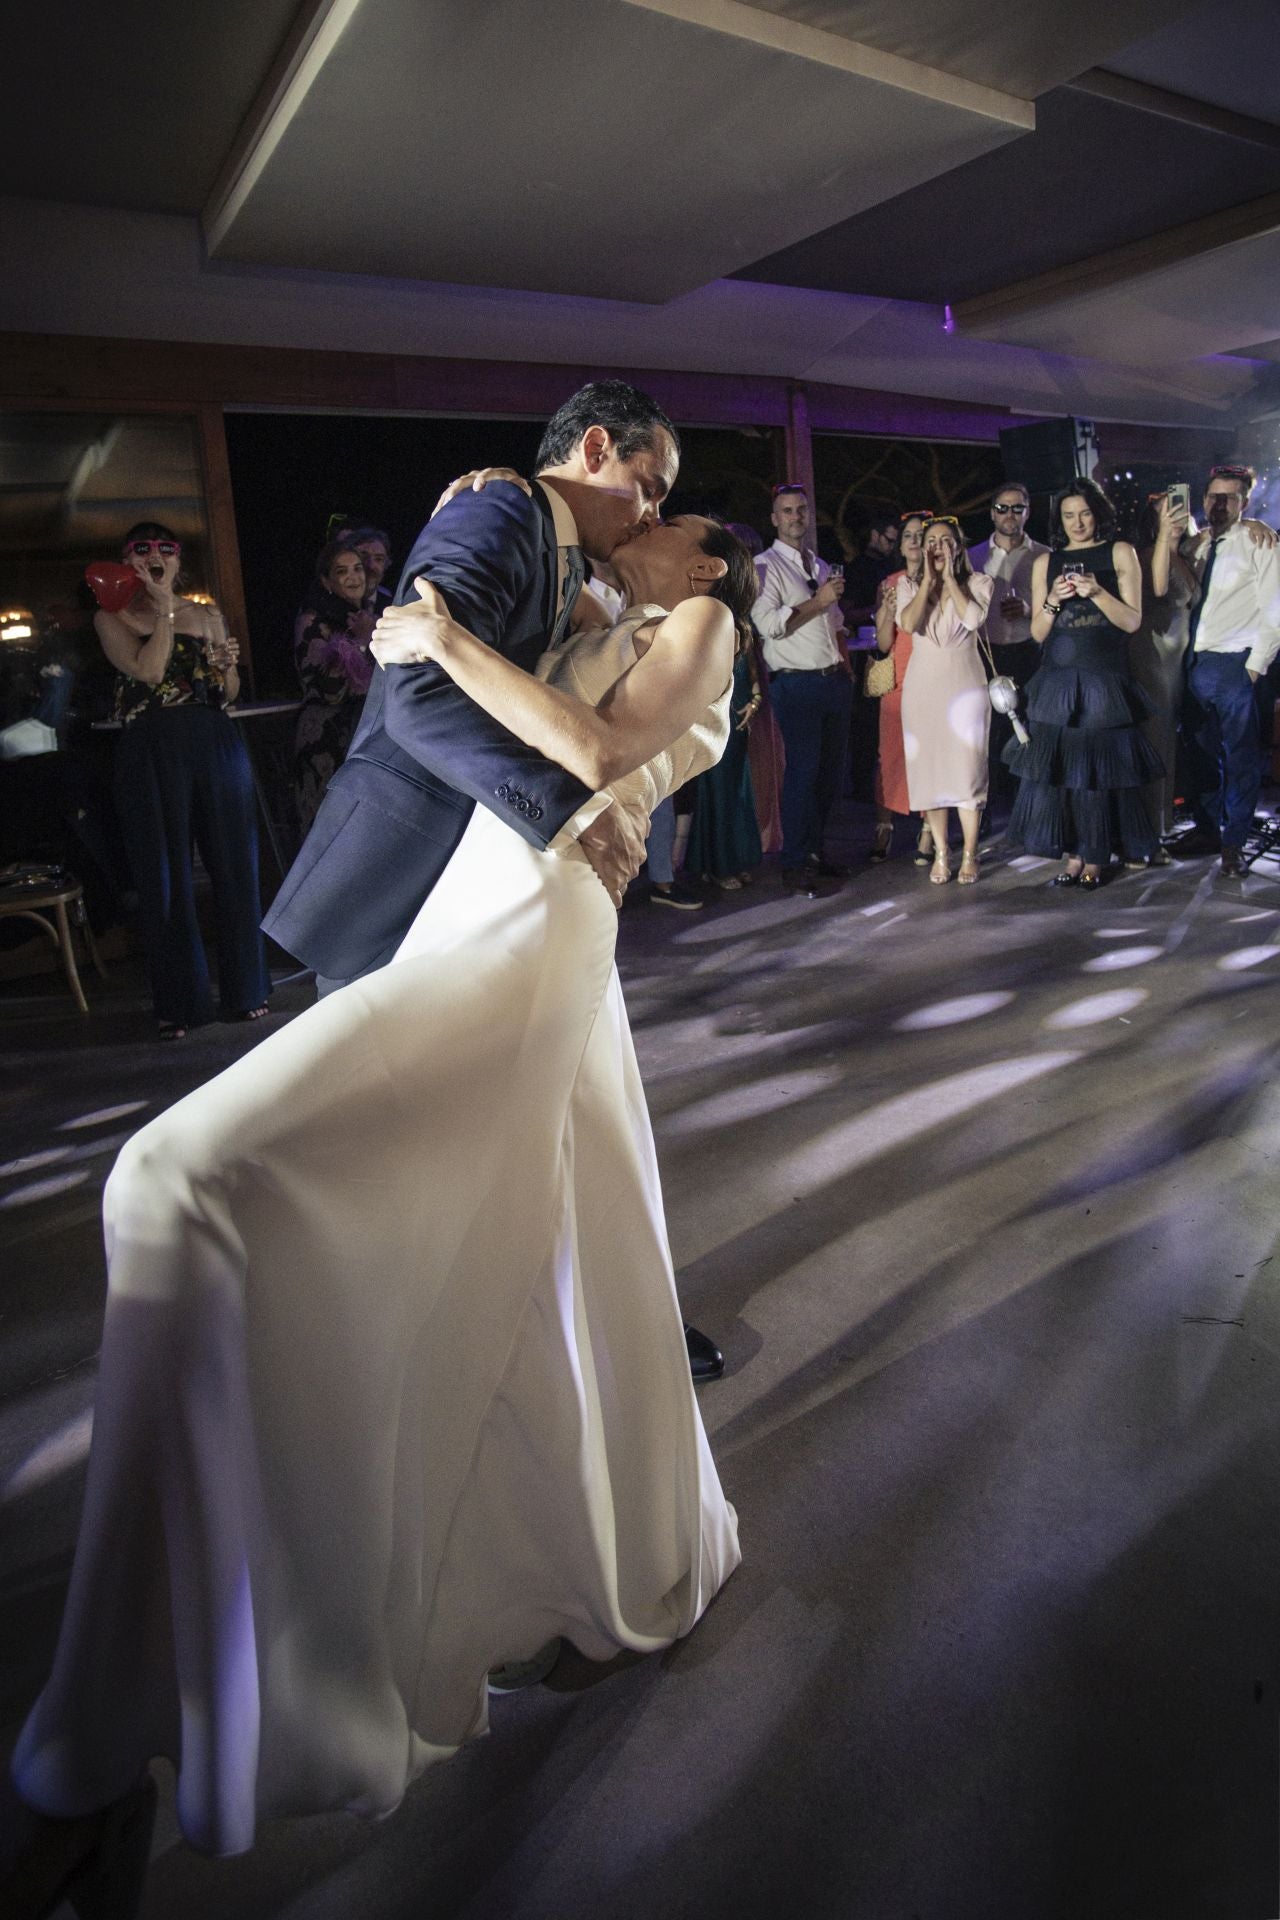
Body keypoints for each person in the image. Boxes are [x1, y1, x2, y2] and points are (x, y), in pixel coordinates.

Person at [12, 512, 750, 1862]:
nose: (649, 515)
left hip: (538, 915)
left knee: (189, 1179)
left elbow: (590, 755)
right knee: (561, 1248)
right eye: (642, 488)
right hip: (474, 893)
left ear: (708, 564)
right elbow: (473, 729)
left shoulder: (705, 625)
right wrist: (455, 644)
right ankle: (581, 1554)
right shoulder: (580, 619)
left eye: (678, 513)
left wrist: (441, 637)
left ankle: (229, 1656)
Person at [95, 522, 270, 1039]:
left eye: (165, 550)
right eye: (142, 550)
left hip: (212, 737)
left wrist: (227, 666)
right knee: (165, 874)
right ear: (128, 561)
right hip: (152, 742)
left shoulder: (209, 614)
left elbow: (227, 690)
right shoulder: (113, 617)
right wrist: (164, 606)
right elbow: (149, 671)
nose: (155, 556)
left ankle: (248, 990)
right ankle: (181, 1001)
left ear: (177, 559)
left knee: (235, 864)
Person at [1005, 479, 1157, 888]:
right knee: (1063, 774)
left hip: (1104, 677)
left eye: (1085, 513)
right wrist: (1054, 599)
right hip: (1057, 681)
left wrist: (1098, 592)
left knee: (1097, 774)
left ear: (1098, 514)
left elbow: (1132, 621)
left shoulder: (1119, 552)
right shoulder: (1046, 563)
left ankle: (1096, 856)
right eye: (1069, 515)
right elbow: (1038, 631)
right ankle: (1072, 856)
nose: (1077, 522)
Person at [1175, 464, 1280, 875]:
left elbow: (1275, 612)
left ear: (1245, 502)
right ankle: (1208, 829)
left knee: (1241, 758)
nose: (1219, 504)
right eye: (1213, 496)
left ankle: (1233, 842)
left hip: (1237, 662)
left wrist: (1253, 669)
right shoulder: (1196, 545)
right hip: (1196, 662)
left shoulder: (1261, 543)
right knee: (1200, 754)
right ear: (1203, 500)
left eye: (1229, 498)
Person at [751, 483, 853, 892]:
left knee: (829, 777)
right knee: (803, 775)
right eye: (787, 510)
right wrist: (819, 602)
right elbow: (769, 626)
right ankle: (795, 864)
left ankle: (816, 853)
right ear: (775, 519)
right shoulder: (765, 566)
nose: (796, 516)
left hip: (832, 680)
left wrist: (846, 667)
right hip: (796, 685)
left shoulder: (820, 564)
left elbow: (837, 623)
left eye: (801, 510)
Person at [897, 517, 994, 884]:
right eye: (932, 541)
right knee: (932, 773)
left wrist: (951, 580)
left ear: (958, 546)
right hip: (923, 688)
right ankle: (941, 849)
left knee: (967, 771)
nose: (939, 546)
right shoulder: (908, 585)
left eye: (946, 540)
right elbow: (907, 624)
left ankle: (969, 851)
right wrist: (929, 581)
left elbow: (972, 619)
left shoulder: (980, 582)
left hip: (965, 684)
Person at [967, 482, 1048, 805]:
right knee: (987, 732)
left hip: (1029, 648)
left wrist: (1029, 610)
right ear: (991, 513)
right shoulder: (974, 556)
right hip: (986, 651)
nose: (1009, 514)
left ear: (1027, 512)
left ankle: (1025, 806)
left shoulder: (1044, 554)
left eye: (1017, 508)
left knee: (1028, 727)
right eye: (1003, 508)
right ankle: (985, 811)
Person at [293, 540, 376, 832]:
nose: (354, 577)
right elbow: (329, 689)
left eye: (357, 569)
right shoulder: (314, 620)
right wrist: (365, 642)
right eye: (342, 571)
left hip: (363, 732)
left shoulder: (368, 614)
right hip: (329, 738)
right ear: (327, 581)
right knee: (332, 828)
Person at [1133, 493, 1196, 846]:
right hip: (1152, 655)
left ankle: (1163, 819)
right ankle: (1149, 829)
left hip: (1177, 659)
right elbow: (1158, 587)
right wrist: (1163, 539)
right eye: (1166, 513)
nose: (1176, 516)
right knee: (1155, 737)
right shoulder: (1148, 555)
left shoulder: (1185, 554)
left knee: (1168, 738)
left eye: (1180, 509)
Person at [869, 511, 930, 862]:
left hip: (933, 676)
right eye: (907, 534)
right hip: (900, 677)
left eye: (920, 535)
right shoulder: (889, 583)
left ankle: (927, 830)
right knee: (889, 756)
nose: (912, 540)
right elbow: (882, 643)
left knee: (928, 755)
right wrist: (886, 615)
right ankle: (884, 828)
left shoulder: (941, 580)